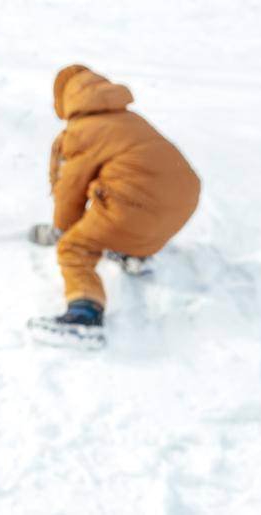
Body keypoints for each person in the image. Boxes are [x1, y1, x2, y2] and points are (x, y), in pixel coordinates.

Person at [27, 64, 201, 349]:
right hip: (182, 204)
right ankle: (133, 253)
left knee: (74, 247)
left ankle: (84, 315)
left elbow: (69, 193)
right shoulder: (129, 119)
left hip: (136, 209)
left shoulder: (80, 133)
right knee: (120, 204)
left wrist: (63, 231)